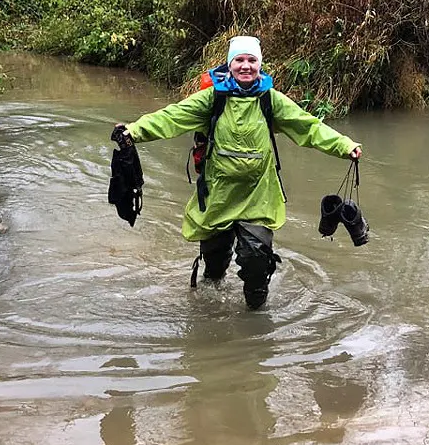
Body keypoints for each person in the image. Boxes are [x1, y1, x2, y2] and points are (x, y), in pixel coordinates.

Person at [114, 35, 362, 310]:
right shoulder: (213, 98)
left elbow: (309, 127)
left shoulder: (271, 101)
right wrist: (133, 131)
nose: (246, 66)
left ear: (260, 64)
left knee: (256, 257)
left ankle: (256, 316)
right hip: (218, 195)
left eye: (252, 60)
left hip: (259, 196)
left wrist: (344, 146)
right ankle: (209, 308)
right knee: (214, 266)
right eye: (240, 60)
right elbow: (171, 117)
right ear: (230, 64)